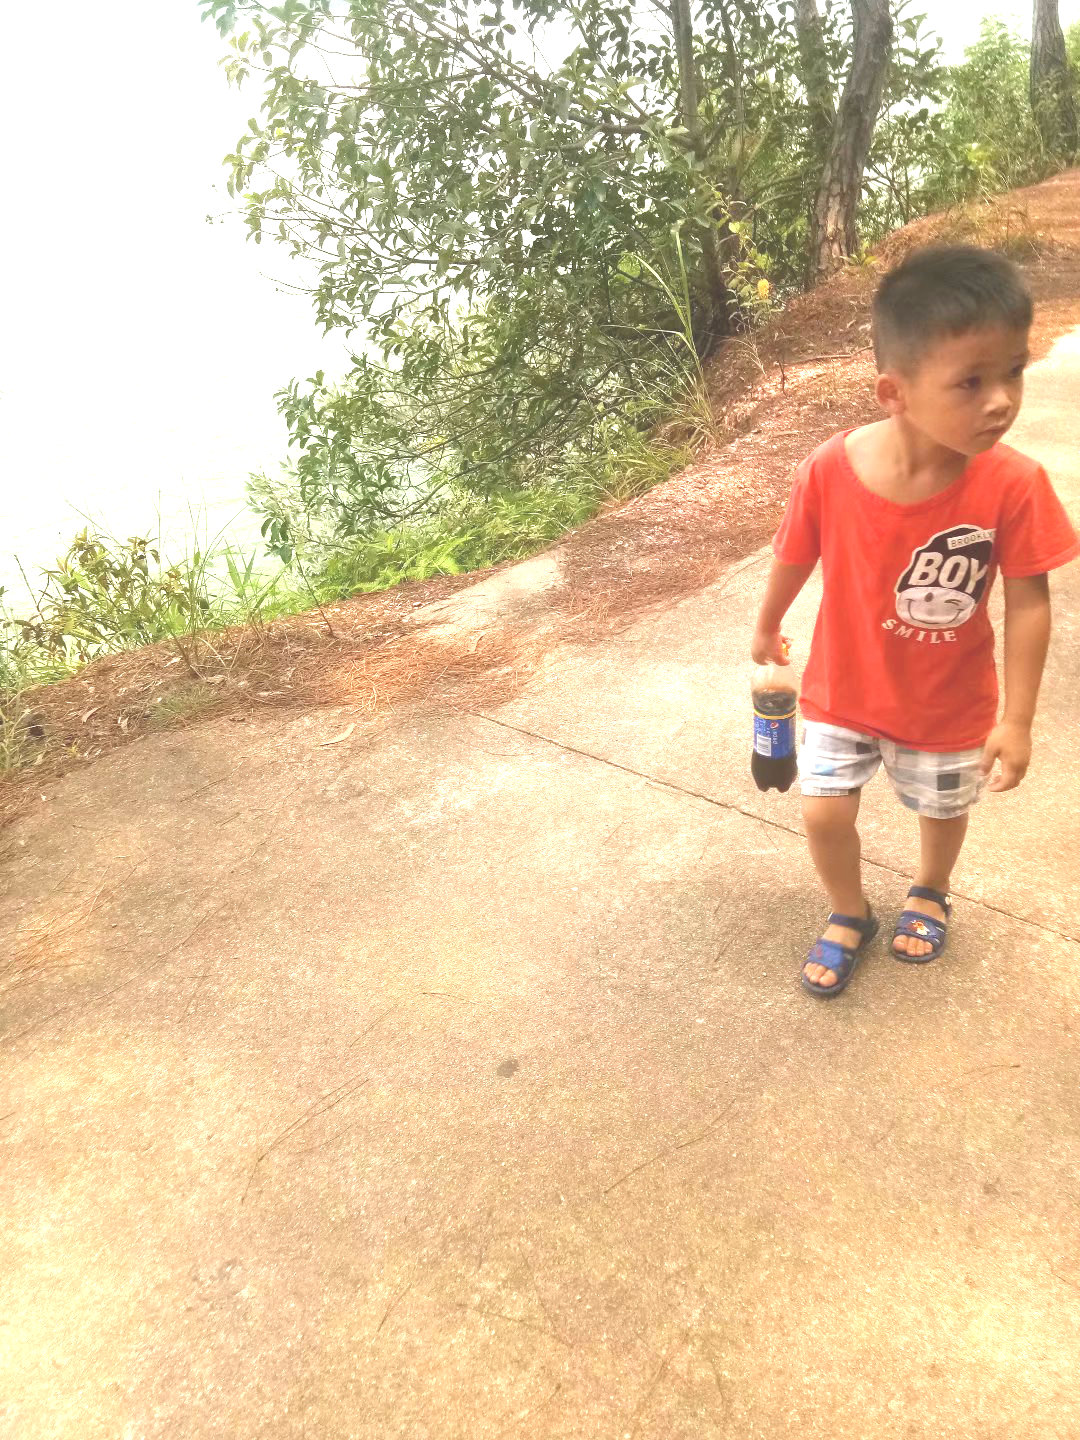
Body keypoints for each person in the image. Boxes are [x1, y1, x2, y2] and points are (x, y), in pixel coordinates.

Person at [751, 245, 1079, 998]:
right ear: (893, 392)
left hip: (946, 703)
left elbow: (1030, 602)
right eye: (971, 381)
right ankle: (849, 911)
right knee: (822, 813)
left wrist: (1018, 720)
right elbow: (795, 551)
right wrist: (767, 623)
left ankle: (930, 888)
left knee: (942, 809)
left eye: (1014, 371)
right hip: (843, 689)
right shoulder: (829, 469)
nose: (1001, 400)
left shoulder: (1015, 484)